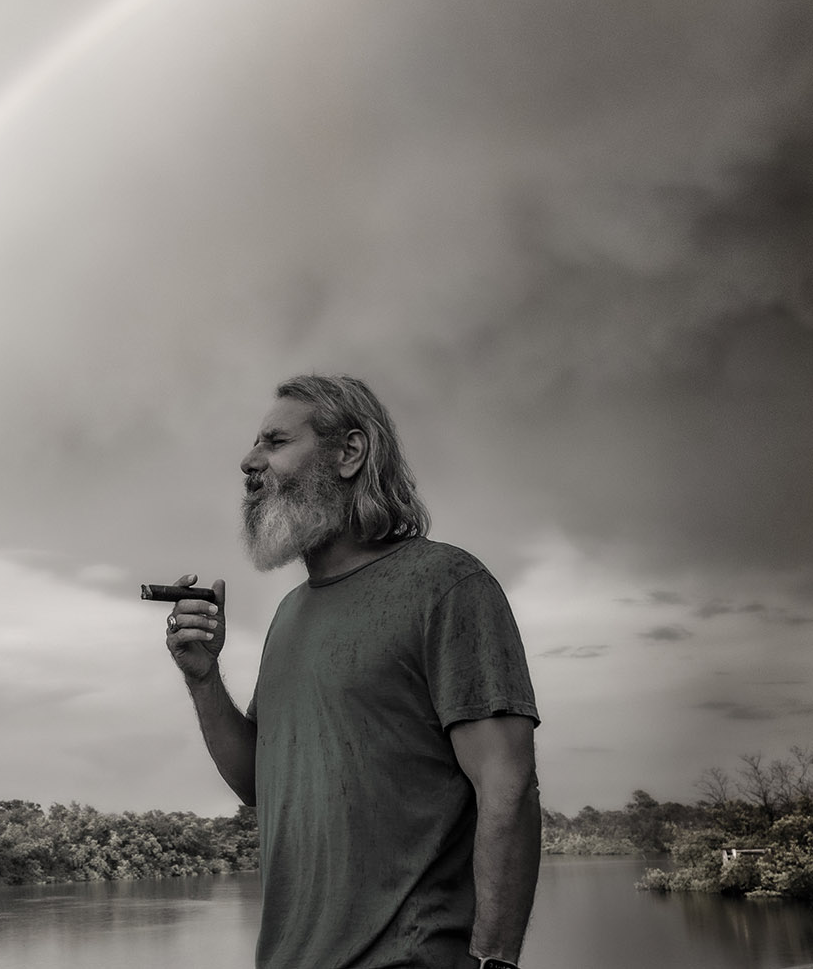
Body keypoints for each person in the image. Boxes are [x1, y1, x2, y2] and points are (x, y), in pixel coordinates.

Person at [162, 373, 540, 969]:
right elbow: (259, 787)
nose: (248, 461)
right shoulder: (290, 614)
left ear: (350, 453)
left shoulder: (447, 585)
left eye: (274, 442)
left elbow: (508, 786)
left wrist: (494, 962)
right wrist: (204, 679)